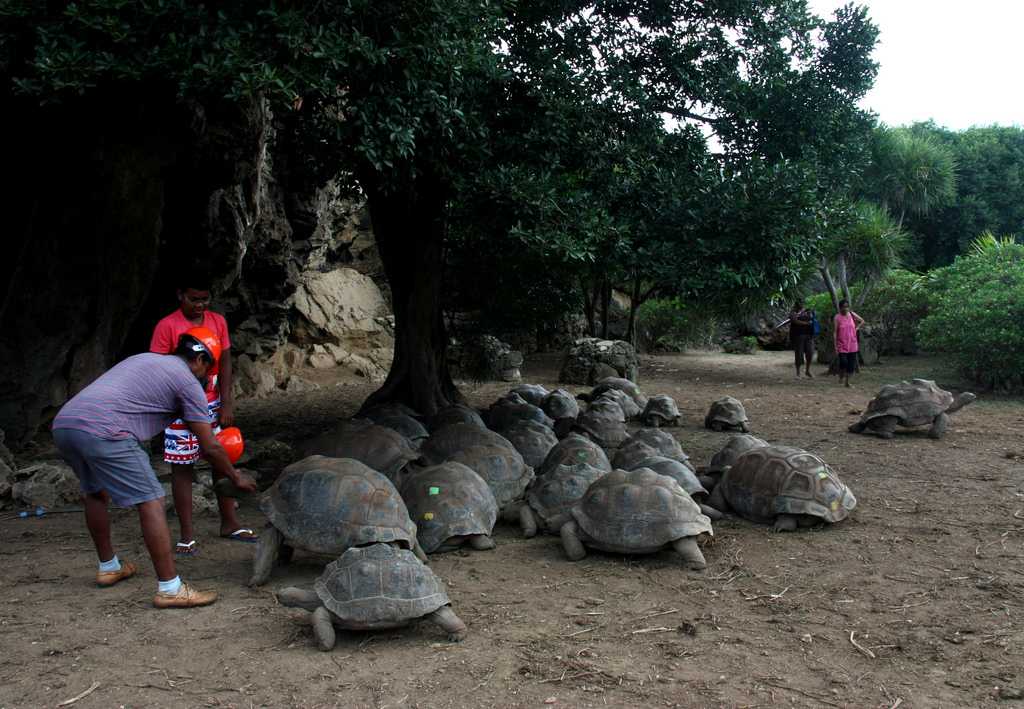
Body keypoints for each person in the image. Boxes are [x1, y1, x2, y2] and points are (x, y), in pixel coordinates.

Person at [52, 331, 257, 608]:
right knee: (151, 499)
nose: (206, 377)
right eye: (208, 369)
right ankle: (170, 588)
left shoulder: (146, 360)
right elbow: (210, 446)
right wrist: (235, 476)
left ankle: (109, 567)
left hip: (66, 424)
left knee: (94, 492)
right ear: (198, 359)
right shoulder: (187, 382)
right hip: (107, 430)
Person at [150, 269, 254, 555]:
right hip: (180, 406)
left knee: (223, 457)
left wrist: (227, 401)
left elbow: (226, 360)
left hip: (212, 402)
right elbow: (160, 369)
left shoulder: (217, 321)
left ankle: (230, 522)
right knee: (182, 468)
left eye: (205, 299)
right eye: (194, 299)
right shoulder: (167, 326)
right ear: (180, 295)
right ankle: (186, 535)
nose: (200, 305)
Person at [834, 299, 866, 388]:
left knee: (851, 364)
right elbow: (835, 332)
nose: (845, 308)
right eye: (843, 307)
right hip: (842, 343)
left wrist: (857, 328)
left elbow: (862, 321)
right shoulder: (837, 317)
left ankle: (847, 382)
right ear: (840, 308)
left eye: (847, 306)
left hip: (852, 343)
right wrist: (835, 345)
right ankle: (841, 375)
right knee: (843, 362)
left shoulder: (852, 314)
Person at [788, 299, 815, 378]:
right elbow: (794, 320)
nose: (802, 304)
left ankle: (807, 370)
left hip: (809, 335)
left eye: (803, 303)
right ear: (797, 304)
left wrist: (810, 314)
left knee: (810, 352)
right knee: (799, 354)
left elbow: (812, 318)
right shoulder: (793, 311)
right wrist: (805, 323)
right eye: (800, 303)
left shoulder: (807, 310)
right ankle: (798, 373)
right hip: (798, 335)